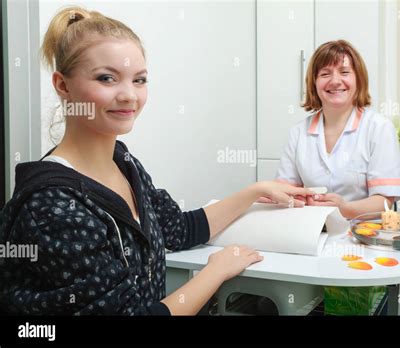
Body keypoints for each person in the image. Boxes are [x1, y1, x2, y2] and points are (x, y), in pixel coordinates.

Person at [0, 6, 313, 315]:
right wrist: (215, 272)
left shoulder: (124, 163)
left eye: (139, 80)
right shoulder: (52, 206)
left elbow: (177, 229)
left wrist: (254, 192)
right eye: (107, 78)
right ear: (62, 85)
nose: (129, 96)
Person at [276, 40, 400, 218]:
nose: (335, 81)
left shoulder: (379, 128)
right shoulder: (298, 133)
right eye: (325, 74)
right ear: (314, 82)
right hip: (311, 231)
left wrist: (344, 208)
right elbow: (284, 193)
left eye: (344, 72)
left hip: (362, 234)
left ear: (358, 80)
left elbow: (385, 201)